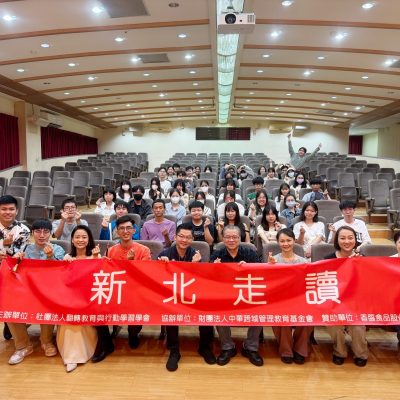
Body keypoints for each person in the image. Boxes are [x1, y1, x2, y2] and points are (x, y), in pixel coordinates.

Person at [93, 215, 152, 363]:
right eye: (121, 228)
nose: (125, 231)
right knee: (95, 306)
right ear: (117, 232)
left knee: (136, 317)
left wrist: (130, 264)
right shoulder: (111, 250)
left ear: (134, 230)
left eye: (128, 228)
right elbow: (106, 273)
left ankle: (133, 334)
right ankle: (106, 343)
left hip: (136, 292)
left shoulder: (144, 250)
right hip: (115, 291)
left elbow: (146, 276)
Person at [158, 224, 215, 371]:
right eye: (181, 236)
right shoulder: (164, 254)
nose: (184, 240)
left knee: (206, 309)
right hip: (172, 295)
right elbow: (158, 279)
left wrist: (195, 265)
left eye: (188, 237)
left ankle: (204, 347)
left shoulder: (196, 255)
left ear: (192, 239)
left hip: (193, 295)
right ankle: (174, 350)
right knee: (170, 309)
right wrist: (161, 264)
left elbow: (201, 281)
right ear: (175, 237)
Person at [7, 219, 64, 365]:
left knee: (48, 303)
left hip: (49, 291)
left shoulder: (57, 249)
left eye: (46, 231)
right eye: (38, 231)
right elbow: (14, 271)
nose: (42, 235)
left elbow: (61, 272)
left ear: (51, 233)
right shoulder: (24, 249)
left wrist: (50, 257)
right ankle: (23, 346)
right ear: (32, 233)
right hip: (27, 292)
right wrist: (16, 261)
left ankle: (46, 341)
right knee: (9, 305)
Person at [210, 225, 263, 367]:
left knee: (261, 308)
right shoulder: (217, 254)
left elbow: (261, 273)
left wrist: (249, 268)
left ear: (240, 238)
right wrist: (213, 268)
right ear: (223, 239)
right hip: (224, 295)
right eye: (228, 237)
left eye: (235, 237)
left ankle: (250, 347)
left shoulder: (250, 252)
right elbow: (208, 279)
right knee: (217, 309)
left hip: (247, 293)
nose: (231, 240)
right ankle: (227, 346)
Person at [324, 226, 368, 367]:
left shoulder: (362, 259)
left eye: (350, 238)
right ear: (337, 240)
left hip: (356, 303)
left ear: (355, 240)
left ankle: (361, 353)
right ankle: (339, 352)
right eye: (342, 238)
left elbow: (367, 284)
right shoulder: (328, 259)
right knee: (335, 325)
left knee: (357, 326)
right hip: (334, 302)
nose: (347, 241)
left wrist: (357, 264)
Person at [58, 225, 100, 372]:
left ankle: (79, 354)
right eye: (77, 237)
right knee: (70, 319)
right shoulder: (67, 258)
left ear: (89, 240)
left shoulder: (95, 256)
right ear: (72, 240)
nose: (80, 240)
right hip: (70, 300)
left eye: (84, 237)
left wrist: (96, 259)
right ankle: (70, 357)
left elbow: (100, 280)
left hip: (89, 300)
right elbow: (62, 282)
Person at [268, 228, 313, 364]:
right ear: (278, 242)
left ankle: (300, 349)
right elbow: (268, 284)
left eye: (289, 240)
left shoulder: (304, 262)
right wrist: (269, 267)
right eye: (282, 241)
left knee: (309, 315)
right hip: (280, 300)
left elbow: (309, 283)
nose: (286, 244)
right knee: (281, 316)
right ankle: (286, 350)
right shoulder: (273, 260)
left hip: (300, 300)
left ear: (294, 241)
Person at [0, 195, 30, 342]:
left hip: (12, 270)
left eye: (11, 209)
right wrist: (3, 244)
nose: (8, 212)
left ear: (17, 211)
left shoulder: (23, 230)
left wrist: (5, 247)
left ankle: (10, 319)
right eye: (4, 209)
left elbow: (16, 256)